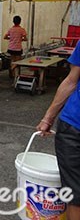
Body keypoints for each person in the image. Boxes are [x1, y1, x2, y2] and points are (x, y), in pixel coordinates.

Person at [36, 40, 80, 219]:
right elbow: (71, 81)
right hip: (74, 126)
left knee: (75, 193)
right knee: (75, 194)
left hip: (73, 128)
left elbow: (71, 81)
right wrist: (48, 118)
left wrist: (48, 119)